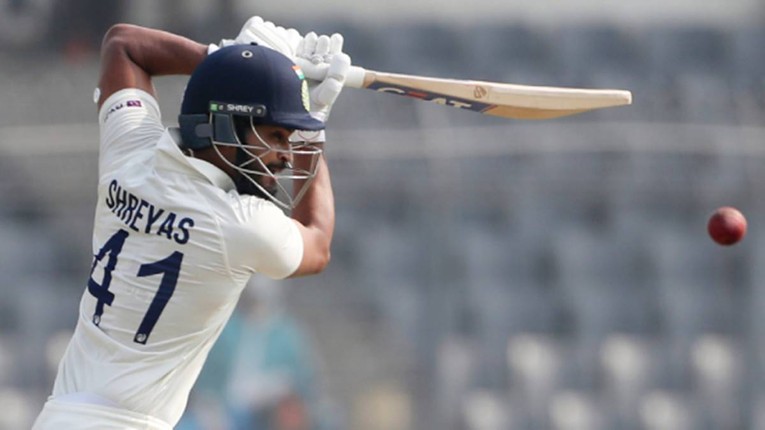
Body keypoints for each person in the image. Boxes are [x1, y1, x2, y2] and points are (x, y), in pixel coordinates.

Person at [32, 16, 351, 430]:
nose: (286, 156)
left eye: (291, 140)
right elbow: (318, 244)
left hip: (59, 416)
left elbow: (122, 44)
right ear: (224, 126)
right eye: (276, 136)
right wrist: (311, 132)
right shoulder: (241, 223)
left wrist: (223, 59)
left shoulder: (131, 152)